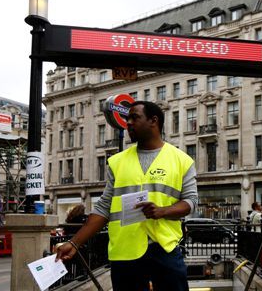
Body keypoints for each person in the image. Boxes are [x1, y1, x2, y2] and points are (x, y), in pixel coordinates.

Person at [56, 101, 198, 291]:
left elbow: (191, 202)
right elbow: (103, 208)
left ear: (153, 121)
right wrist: (74, 243)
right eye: (127, 118)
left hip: (165, 249)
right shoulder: (117, 162)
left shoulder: (182, 160)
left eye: (135, 117)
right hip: (125, 252)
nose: (128, 123)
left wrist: (162, 211)